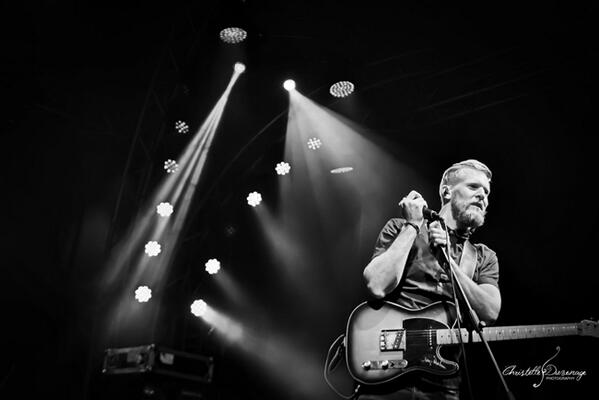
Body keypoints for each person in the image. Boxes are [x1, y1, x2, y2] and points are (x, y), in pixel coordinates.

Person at [360, 159, 501, 400]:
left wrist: (450, 264)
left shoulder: (483, 256)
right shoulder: (399, 228)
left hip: (443, 385)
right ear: (446, 191)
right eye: (473, 187)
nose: (482, 196)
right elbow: (376, 285)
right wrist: (413, 226)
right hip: (386, 378)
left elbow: (490, 311)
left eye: (486, 192)